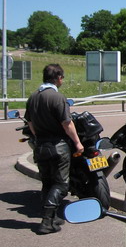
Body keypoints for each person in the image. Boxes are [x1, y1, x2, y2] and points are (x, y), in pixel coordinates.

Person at [25, 64, 84, 234]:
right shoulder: (57, 97)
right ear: (58, 78)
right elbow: (67, 123)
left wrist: (39, 137)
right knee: (61, 184)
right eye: (62, 78)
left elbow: (30, 123)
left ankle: (53, 217)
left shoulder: (33, 97)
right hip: (58, 145)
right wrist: (77, 142)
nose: (62, 81)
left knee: (47, 183)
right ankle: (46, 221)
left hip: (40, 145)